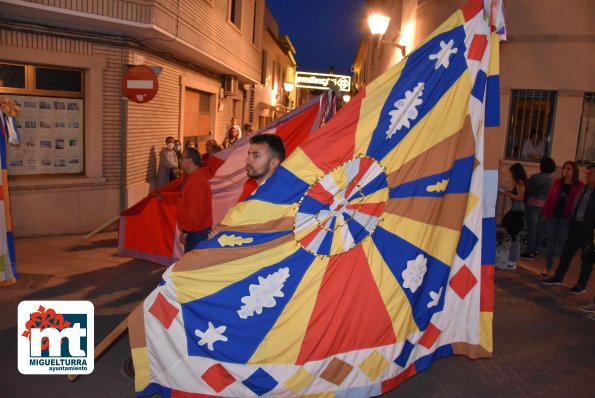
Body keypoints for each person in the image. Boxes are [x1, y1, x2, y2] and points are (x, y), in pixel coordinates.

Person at [208, 134, 285, 239]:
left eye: (255, 155)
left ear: (274, 163)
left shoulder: (280, 199)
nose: (247, 160)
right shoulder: (253, 192)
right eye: (249, 154)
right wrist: (222, 230)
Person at [542, 163, 595, 294]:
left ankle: (581, 284)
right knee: (566, 253)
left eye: (590, 173)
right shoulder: (585, 188)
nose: (587, 175)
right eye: (586, 173)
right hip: (576, 225)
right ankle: (558, 277)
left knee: (587, 257)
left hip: (589, 229)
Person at [540, 161, 583, 275]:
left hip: (566, 219)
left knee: (563, 246)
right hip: (553, 217)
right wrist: (545, 213)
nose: (565, 171)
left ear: (574, 171)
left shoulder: (578, 186)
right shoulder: (557, 183)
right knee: (550, 244)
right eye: (564, 168)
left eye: (569, 169)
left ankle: (560, 271)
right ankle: (548, 268)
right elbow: (549, 197)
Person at [177, 147, 213, 253]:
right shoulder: (192, 177)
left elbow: (195, 211)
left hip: (196, 232)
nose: (179, 160)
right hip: (196, 230)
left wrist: (186, 231)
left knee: (193, 265)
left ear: (191, 160)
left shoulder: (197, 181)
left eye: (182, 158)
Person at [521, 157, 556, 260]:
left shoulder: (535, 177)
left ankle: (529, 252)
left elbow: (528, 189)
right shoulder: (552, 179)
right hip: (544, 205)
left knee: (531, 229)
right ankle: (536, 250)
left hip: (532, 205)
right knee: (539, 229)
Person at [497, 163, 527, 270]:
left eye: (512, 173)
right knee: (512, 236)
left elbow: (520, 197)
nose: (511, 175)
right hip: (516, 211)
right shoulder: (520, 184)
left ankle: (512, 261)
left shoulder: (520, 184)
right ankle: (511, 260)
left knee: (513, 236)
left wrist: (507, 194)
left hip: (517, 212)